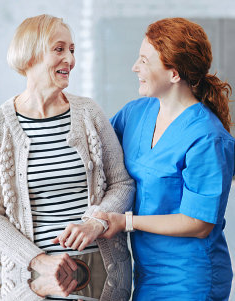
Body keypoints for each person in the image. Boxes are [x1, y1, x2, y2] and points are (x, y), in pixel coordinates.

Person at [0, 14, 135, 301]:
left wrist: (95, 221)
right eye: (59, 49)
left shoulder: (90, 114)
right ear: (30, 55)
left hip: (104, 274)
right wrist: (36, 260)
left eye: (72, 50)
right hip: (31, 279)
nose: (70, 60)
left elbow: (123, 184)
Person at [93, 18, 235, 300]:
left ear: (174, 74)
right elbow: (96, 150)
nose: (135, 67)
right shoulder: (136, 114)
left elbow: (199, 223)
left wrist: (126, 222)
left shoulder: (208, 138)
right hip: (143, 274)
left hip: (189, 279)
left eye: (145, 61)